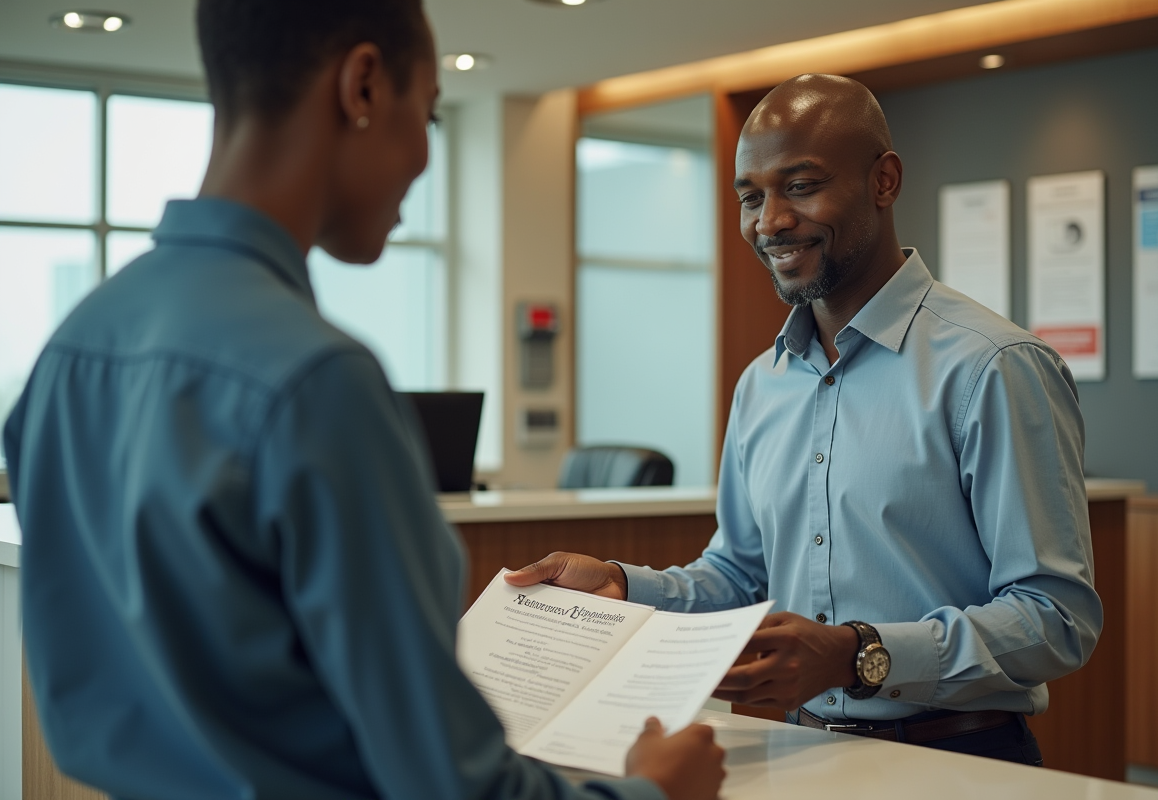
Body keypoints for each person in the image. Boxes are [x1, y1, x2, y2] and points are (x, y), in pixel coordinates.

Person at [1, 2, 725, 798]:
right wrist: (654, 791)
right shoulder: (315, 384)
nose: (425, 157)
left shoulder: (69, 355)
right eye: (432, 113)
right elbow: (453, 788)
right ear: (364, 85)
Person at [507, 74, 1102, 766]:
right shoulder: (764, 384)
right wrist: (621, 585)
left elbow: (1057, 619)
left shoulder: (992, 366)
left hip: (958, 764)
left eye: (800, 185)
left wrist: (858, 654)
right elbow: (736, 578)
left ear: (884, 182)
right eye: (751, 196)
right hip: (794, 751)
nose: (770, 222)